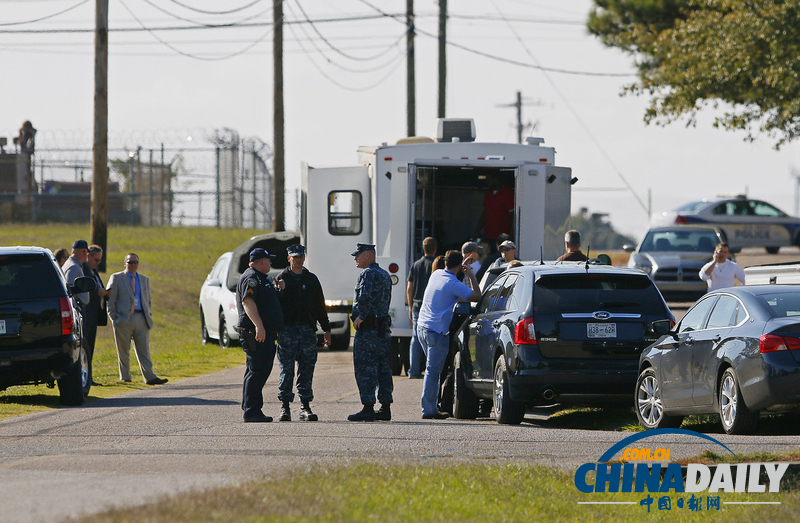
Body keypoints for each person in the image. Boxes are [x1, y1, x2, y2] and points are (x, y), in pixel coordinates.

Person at [417, 250, 481, 419]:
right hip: (437, 332)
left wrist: (461, 265)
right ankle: (429, 409)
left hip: (422, 327)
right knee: (433, 372)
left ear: (445, 262)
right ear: (459, 266)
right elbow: (477, 296)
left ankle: (431, 405)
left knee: (432, 370)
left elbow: (451, 286)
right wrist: (471, 275)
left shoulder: (437, 274)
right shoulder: (453, 284)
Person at [275, 244, 330, 422]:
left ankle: (305, 406)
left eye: (300, 257)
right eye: (295, 257)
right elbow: (274, 307)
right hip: (287, 331)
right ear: (289, 259)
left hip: (307, 331)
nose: (298, 260)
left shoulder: (311, 279)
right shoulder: (281, 279)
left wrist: (326, 329)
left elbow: (320, 306)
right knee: (287, 369)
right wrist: (279, 292)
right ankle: (285, 406)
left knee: (306, 369)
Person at [235, 248, 285, 423]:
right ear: (261, 261)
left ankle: (250, 406)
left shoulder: (260, 279)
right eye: (269, 260)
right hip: (256, 333)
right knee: (258, 370)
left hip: (263, 333)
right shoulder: (252, 278)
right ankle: (252, 411)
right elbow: (248, 302)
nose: (271, 263)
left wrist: (278, 291)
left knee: (255, 370)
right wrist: (259, 326)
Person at [106, 253, 168, 386]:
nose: (133, 265)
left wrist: (148, 315)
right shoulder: (116, 278)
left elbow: (148, 299)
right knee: (123, 350)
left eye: (135, 262)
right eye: (130, 262)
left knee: (144, 349)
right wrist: (114, 318)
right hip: (123, 319)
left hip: (141, 318)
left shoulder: (144, 279)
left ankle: (150, 377)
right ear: (125, 264)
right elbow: (110, 300)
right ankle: (126, 377)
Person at [348, 243, 393, 422]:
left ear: (368, 255)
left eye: (358, 255)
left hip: (368, 331)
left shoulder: (368, 274)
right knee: (383, 367)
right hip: (382, 330)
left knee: (365, 367)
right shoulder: (384, 274)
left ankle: (367, 407)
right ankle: (385, 407)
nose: (355, 259)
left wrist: (361, 317)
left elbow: (364, 297)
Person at [406, 237, 437, 379]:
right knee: (431, 338)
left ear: (423, 249)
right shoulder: (437, 266)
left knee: (416, 338)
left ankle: (413, 370)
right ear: (435, 249)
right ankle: (430, 368)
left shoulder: (416, 265)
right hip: (431, 306)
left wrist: (410, 307)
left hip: (417, 305)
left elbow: (409, 288)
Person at [82, 244, 112, 386]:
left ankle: (89, 377)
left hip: (94, 316)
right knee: (86, 348)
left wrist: (105, 293)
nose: (98, 263)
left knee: (91, 348)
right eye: (96, 259)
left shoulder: (93, 271)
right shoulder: (83, 270)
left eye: (100, 260)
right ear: (88, 255)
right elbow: (83, 290)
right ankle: (85, 378)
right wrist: (97, 293)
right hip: (86, 315)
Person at [474, 173, 514, 246]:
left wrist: (511, 235)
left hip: (501, 238)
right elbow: (486, 213)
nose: (486, 182)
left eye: (488, 180)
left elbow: (513, 216)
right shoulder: (488, 194)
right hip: (487, 235)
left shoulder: (508, 193)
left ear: (495, 180)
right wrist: (477, 230)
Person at [61, 240, 91, 307]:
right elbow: (69, 290)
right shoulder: (74, 267)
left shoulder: (70, 264)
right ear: (84, 252)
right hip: (76, 307)